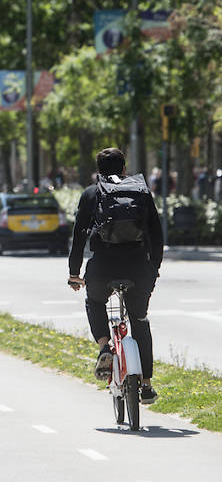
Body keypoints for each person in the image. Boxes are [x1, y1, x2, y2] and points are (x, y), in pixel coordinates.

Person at [67, 148, 162, 405]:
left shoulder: (91, 194)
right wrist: (154, 268)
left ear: (98, 171)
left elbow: (79, 236)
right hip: (138, 268)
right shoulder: (141, 191)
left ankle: (104, 347)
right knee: (139, 321)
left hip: (103, 268)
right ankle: (147, 385)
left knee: (95, 301)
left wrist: (74, 273)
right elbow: (156, 232)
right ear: (124, 169)